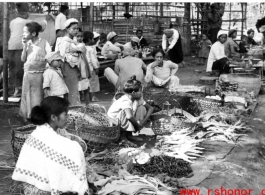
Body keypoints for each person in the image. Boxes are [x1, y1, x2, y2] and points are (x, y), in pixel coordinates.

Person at [12, 96, 88, 194]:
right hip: (38, 188)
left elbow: (67, 141)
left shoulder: (47, 131)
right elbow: (73, 150)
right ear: (53, 117)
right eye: (66, 114)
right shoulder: (45, 136)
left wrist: (75, 143)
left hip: (33, 182)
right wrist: (77, 146)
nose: (68, 118)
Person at [107, 76, 154, 146]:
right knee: (126, 113)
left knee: (140, 108)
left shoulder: (138, 99)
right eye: (140, 91)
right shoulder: (126, 101)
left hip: (121, 121)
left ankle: (129, 135)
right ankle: (123, 138)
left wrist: (143, 121)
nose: (142, 93)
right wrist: (138, 125)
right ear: (133, 93)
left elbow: (150, 108)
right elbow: (129, 117)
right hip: (114, 122)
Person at [19, 22, 51, 123]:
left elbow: (49, 57)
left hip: (40, 74)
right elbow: (23, 59)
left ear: (33, 33)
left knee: (38, 96)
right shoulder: (27, 44)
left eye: (25, 32)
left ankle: (38, 117)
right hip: (28, 74)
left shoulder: (44, 42)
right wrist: (24, 47)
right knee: (27, 94)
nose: (23, 34)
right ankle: (27, 115)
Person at [58, 18, 90, 106]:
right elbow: (61, 57)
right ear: (67, 29)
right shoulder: (65, 42)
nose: (76, 31)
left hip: (74, 68)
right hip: (67, 69)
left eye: (77, 29)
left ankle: (73, 109)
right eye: (73, 28)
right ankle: (72, 110)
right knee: (71, 91)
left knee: (74, 90)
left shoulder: (74, 41)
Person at [8, 3, 31, 97]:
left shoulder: (12, 21)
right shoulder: (27, 22)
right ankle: (18, 89)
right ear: (25, 13)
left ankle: (11, 89)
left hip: (11, 46)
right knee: (19, 69)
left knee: (12, 68)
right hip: (19, 47)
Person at [83, 31, 100, 102]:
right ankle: (93, 96)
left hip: (83, 68)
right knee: (93, 82)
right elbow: (93, 60)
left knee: (84, 82)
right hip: (91, 68)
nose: (94, 40)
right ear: (89, 39)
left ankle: (83, 96)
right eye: (93, 39)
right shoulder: (90, 49)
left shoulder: (81, 47)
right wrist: (96, 67)